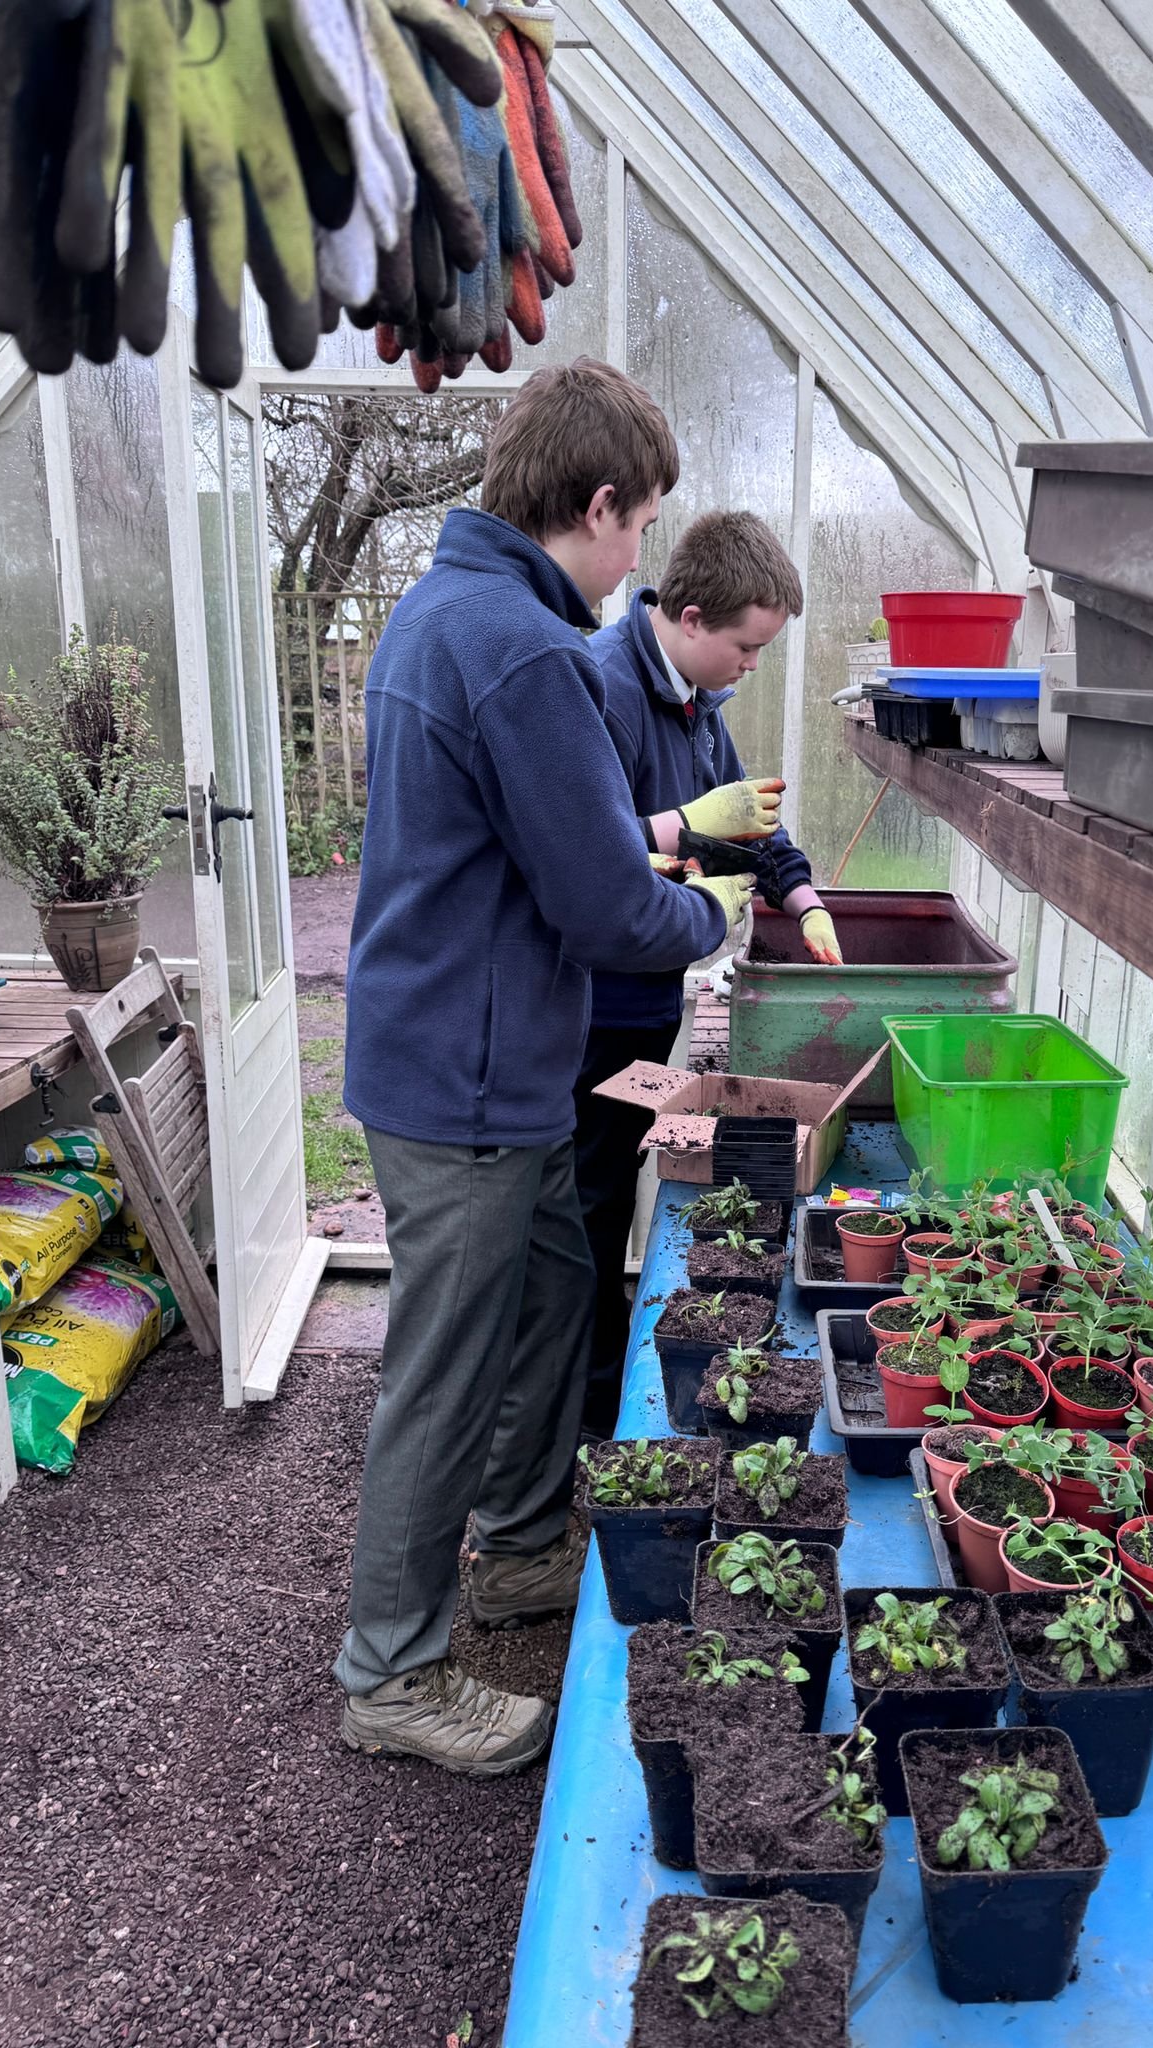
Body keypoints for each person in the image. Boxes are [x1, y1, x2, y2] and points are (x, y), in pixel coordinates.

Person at [335, 361, 754, 1776]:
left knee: (558, 1284)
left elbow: (549, 848)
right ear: (595, 505)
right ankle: (390, 1672)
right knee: (444, 1371)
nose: (643, 559)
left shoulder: (450, 612)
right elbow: (603, 903)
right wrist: (714, 914)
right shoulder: (521, 649)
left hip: (464, 1049)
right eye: (641, 528)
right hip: (465, 1070)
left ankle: (519, 1548)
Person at [573, 510, 843, 1438]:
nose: (752, 667)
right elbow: (594, 870)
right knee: (586, 1217)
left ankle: (595, 1401)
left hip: (648, 998)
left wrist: (802, 898)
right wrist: (689, 849)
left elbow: (750, 826)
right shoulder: (600, 691)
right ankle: (576, 1426)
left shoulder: (696, 701)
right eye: (747, 646)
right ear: (690, 618)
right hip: (589, 1013)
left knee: (613, 1207)